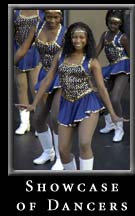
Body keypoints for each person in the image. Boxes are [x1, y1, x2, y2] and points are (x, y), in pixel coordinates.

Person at [15, 22, 126, 171]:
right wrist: (34, 103)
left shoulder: (92, 61)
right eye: (74, 37)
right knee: (63, 151)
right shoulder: (60, 56)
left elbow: (101, 88)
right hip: (66, 104)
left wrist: (113, 114)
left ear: (87, 40)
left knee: (84, 143)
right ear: (69, 39)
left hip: (87, 104)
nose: (78, 41)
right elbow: (47, 79)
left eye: (81, 37)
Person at [14, 10, 67, 170]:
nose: (52, 20)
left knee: (56, 116)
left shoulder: (65, 33)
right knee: (38, 118)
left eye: (56, 17)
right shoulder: (37, 27)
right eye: (49, 16)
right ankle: (48, 152)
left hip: (62, 75)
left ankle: (60, 158)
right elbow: (23, 49)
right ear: (45, 15)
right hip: (45, 74)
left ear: (61, 17)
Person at [96, 10, 130, 142]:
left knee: (115, 98)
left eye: (116, 23)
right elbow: (96, 50)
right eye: (111, 22)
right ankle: (109, 123)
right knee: (101, 95)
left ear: (120, 24)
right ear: (107, 21)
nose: (113, 26)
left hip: (123, 67)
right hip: (111, 67)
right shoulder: (105, 35)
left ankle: (119, 128)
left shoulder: (123, 38)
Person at [14, 9, 44, 135]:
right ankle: (24, 122)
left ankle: (39, 122)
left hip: (35, 51)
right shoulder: (15, 11)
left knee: (35, 87)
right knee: (21, 87)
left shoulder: (41, 11)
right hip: (18, 48)